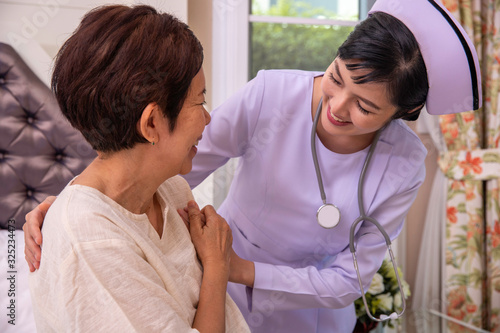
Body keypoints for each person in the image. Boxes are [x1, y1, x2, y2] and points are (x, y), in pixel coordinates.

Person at [25, 0, 482, 331]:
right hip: (214, 280)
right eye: (336, 77)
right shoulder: (272, 96)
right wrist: (78, 204)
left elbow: (352, 278)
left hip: (308, 307)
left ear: (400, 114)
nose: (337, 106)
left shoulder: (404, 164)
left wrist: (237, 268)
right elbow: (163, 158)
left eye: (364, 107)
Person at [25, 4, 250, 332]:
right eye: (200, 101)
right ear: (152, 123)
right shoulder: (94, 247)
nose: (207, 118)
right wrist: (217, 267)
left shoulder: (169, 188)